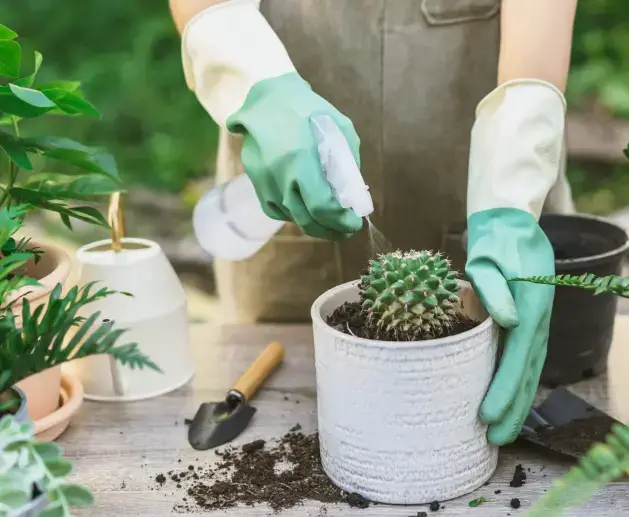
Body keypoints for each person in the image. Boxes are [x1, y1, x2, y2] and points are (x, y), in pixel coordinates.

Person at [169, 0, 578, 446]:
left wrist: (510, 192)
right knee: (280, 404)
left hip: (493, 173)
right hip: (289, 177)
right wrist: (255, 82)